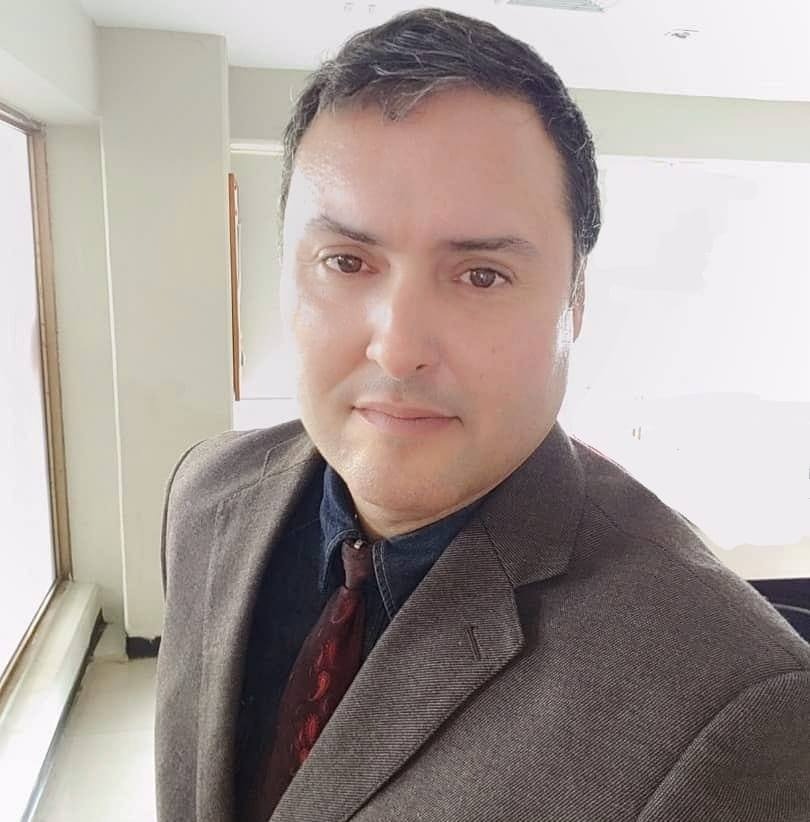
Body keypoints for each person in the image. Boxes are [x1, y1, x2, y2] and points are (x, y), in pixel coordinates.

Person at [155, 8, 810, 822]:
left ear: (575, 301)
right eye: (346, 261)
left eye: (481, 276)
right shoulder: (206, 495)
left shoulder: (733, 707)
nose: (398, 348)